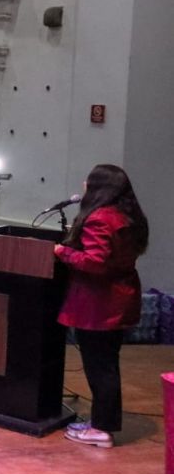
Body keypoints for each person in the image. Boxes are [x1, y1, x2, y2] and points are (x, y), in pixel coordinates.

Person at [55, 164, 147, 448]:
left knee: (101, 367)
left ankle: (102, 429)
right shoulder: (127, 215)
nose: (84, 183)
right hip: (118, 299)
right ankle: (99, 422)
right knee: (105, 364)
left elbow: (95, 262)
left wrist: (63, 252)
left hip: (100, 304)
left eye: (89, 180)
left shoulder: (101, 218)